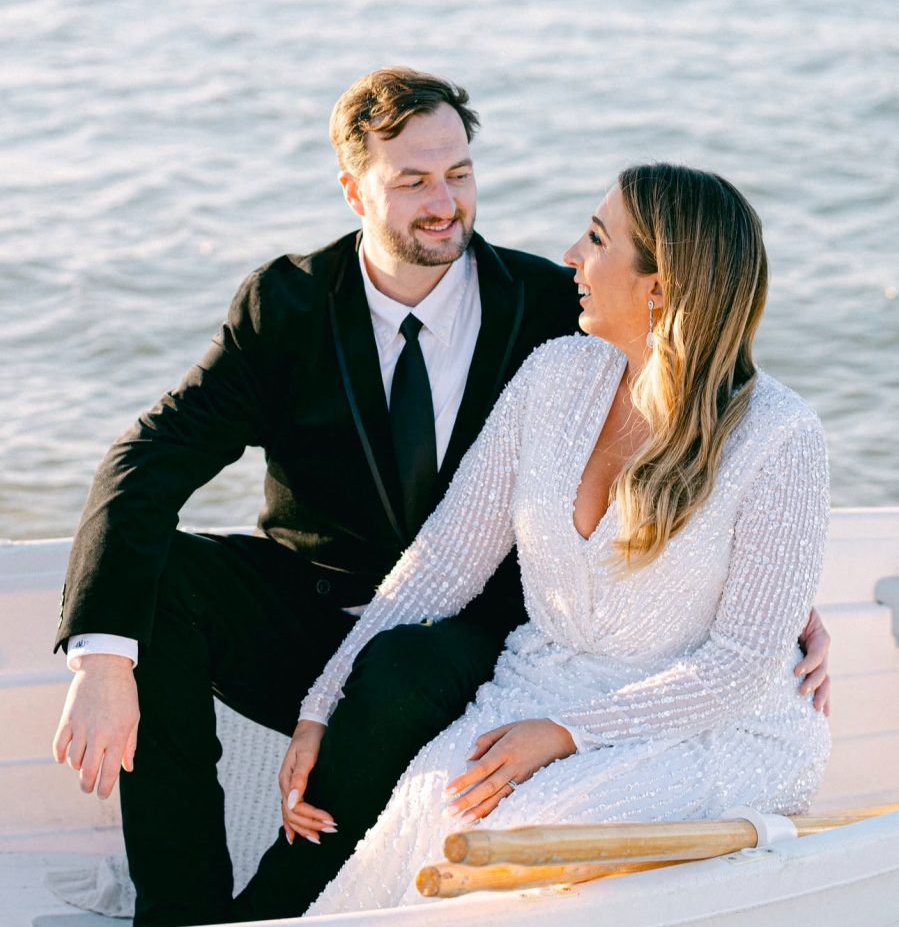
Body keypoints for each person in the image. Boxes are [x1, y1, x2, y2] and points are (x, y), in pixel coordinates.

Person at [50, 68, 829, 926]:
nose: (444, 202)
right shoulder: (289, 305)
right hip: (336, 613)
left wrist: (780, 596)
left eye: (458, 174)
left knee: (408, 682)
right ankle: (180, 914)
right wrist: (106, 659)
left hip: (477, 642)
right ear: (354, 190)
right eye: (413, 180)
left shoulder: (552, 307)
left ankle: (285, 902)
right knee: (155, 587)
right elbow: (153, 458)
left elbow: (704, 401)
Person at [267, 163, 831, 916]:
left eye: (596, 239)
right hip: (541, 686)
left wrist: (568, 734)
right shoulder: (553, 376)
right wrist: (322, 703)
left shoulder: (779, 436)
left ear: (659, 287)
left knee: (522, 833)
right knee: (428, 807)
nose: (570, 255)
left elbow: (738, 665)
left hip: (710, 726)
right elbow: (441, 563)